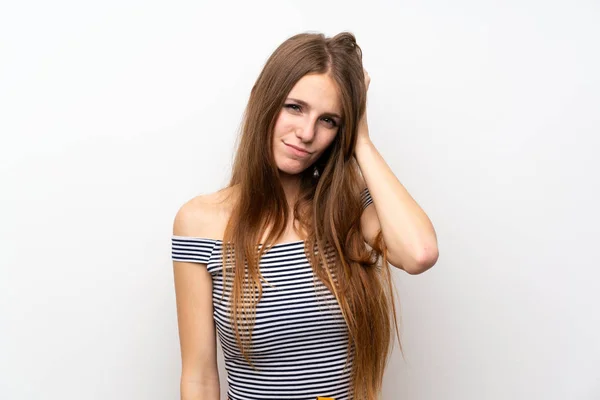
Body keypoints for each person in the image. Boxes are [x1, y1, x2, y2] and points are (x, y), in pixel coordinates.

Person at [171, 31, 438, 400]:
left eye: (329, 120)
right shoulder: (199, 222)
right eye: (294, 107)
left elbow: (419, 253)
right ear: (261, 101)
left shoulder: (346, 208)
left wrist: (359, 138)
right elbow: (199, 376)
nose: (307, 133)